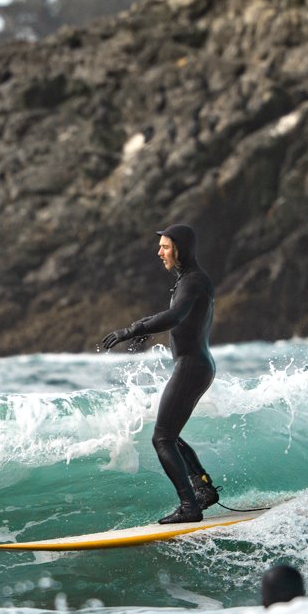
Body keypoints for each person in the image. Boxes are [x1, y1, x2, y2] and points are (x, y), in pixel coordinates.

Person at [99, 223, 221, 522]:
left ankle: (190, 507)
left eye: (165, 247)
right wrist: (147, 328)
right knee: (171, 435)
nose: (160, 252)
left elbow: (174, 315)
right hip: (197, 365)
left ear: (180, 249)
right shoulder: (191, 280)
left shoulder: (192, 281)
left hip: (192, 366)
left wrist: (132, 329)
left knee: (162, 439)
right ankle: (203, 490)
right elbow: (178, 317)